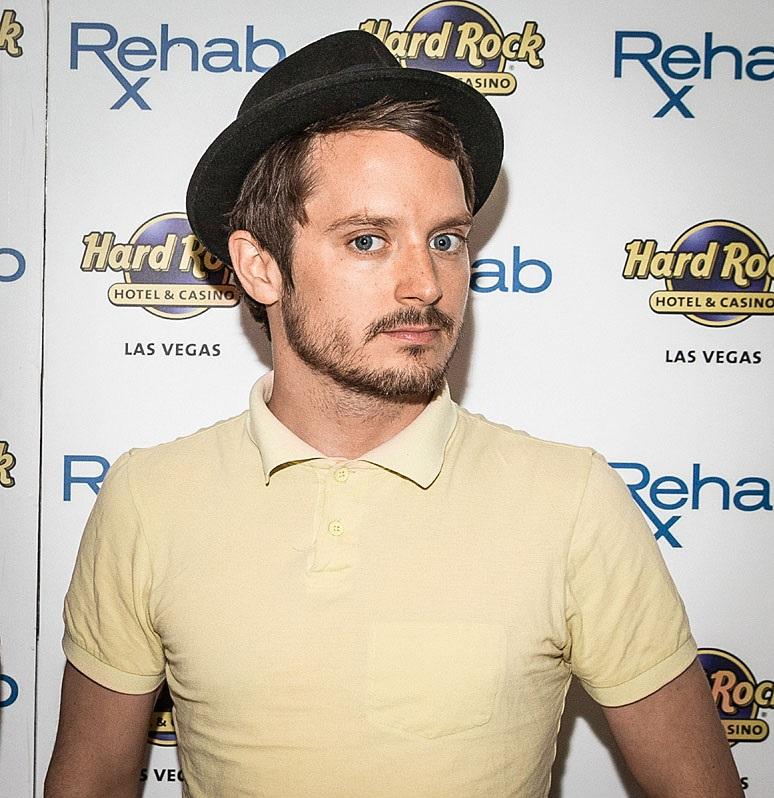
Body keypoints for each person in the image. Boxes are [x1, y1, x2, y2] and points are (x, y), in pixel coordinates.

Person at [46, 30, 742, 798]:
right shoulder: (149, 499)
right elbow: (89, 782)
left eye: (446, 239)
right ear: (260, 267)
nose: (426, 284)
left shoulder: (572, 500)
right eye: (369, 240)